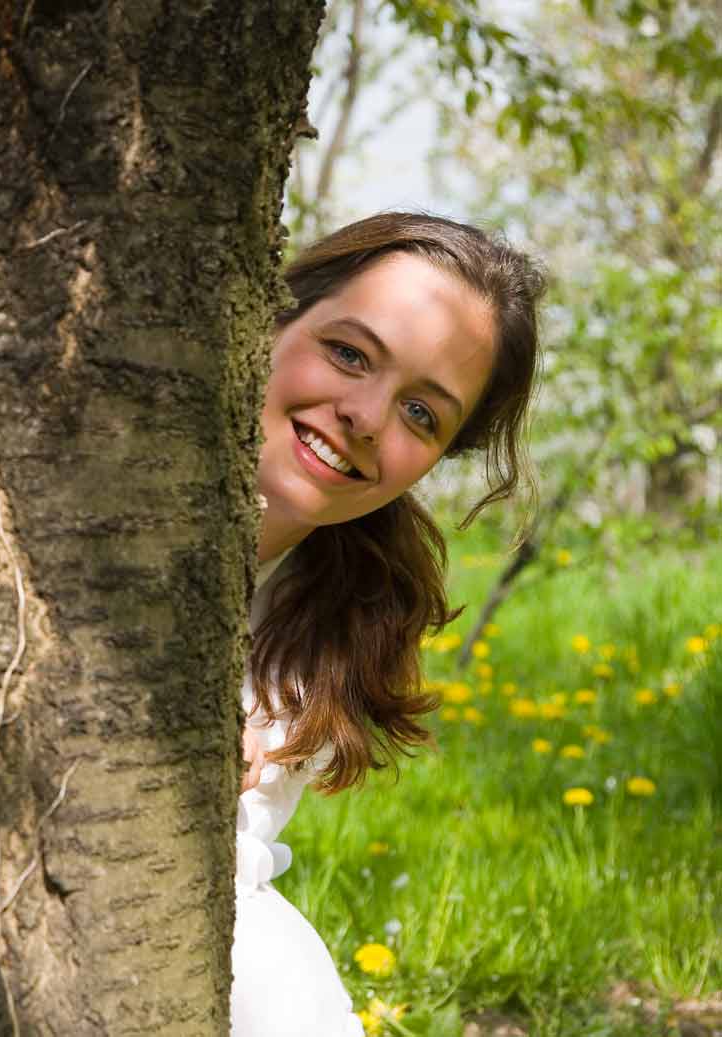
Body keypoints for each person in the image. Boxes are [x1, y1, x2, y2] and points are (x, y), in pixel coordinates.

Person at [231, 212, 543, 1035]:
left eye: (421, 414)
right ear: (267, 312)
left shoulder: (335, 617)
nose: (366, 416)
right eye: (348, 353)